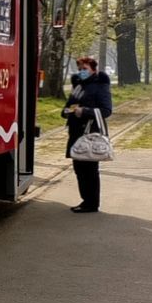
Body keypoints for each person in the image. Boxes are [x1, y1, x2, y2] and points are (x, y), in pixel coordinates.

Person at [63, 56, 113, 213]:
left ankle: (91, 203)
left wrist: (84, 111)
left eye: (84, 69)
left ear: (93, 69)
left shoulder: (100, 86)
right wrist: (67, 111)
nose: (81, 72)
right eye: (79, 69)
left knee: (90, 169)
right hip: (76, 132)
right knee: (79, 168)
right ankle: (85, 200)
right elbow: (69, 105)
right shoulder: (78, 86)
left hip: (90, 132)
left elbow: (106, 110)